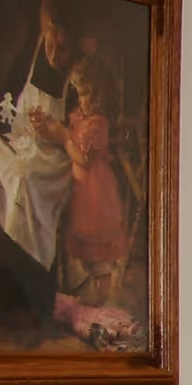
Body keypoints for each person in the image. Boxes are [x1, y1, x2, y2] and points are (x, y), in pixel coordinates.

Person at [0, 0, 84, 329]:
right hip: (24, 144)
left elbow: (82, 139)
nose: (54, 53)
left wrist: (54, 130)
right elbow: (9, 110)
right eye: (49, 45)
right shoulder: (33, 55)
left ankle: (26, 290)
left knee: (22, 181)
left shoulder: (80, 78)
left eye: (63, 47)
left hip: (56, 161)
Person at [30, 58, 138, 349]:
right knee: (83, 250)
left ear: (99, 96)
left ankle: (100, 298)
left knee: (99, 250)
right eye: (77, 93)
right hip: (79, 194)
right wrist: (49, 130)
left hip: (96, 195)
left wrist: (63, 135)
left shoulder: (98, 124)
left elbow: (84, 158)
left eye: (86, 93)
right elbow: (64, 139)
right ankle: (86, 297)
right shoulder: (79, 117)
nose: (80, 100)